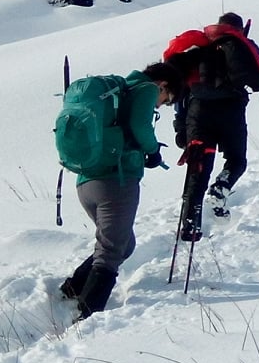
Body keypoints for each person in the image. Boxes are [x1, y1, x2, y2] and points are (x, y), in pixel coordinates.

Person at [59, 62, 179, 319]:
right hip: (116, 181)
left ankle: (71, 290)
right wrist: (153, 151)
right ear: (163, 85)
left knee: (123, 245)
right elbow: (140, 125)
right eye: (166, 100)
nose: (160, 105)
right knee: (111, 252)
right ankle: (87, 317)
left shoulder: (117, 93)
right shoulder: (146, 89)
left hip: (86, 181)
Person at [166, 12, 259, 211]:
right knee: (237, 161)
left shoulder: (199, 47)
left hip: (198, 111)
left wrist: (180, 125)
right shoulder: (242, 46)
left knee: (198, 166)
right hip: (231, 110)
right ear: (240, 29)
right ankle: (221, 187)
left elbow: (182, 89)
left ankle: (190, 224)